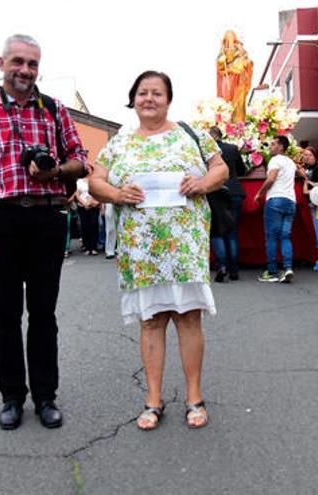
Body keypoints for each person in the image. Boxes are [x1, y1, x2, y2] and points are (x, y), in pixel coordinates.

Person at [0, 34, 89, 431]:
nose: (25, 70)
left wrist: (55, 171)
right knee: (7, 314)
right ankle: (12, 397)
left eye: (32, 64)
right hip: (2, 220)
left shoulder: (55, 109)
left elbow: (81, 161)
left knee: (44, 314)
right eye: (18, 62)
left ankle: (46, 396)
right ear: (1, 63)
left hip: (47, 219)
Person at [89, 70, 228, 430]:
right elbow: (95, 181)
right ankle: (153, 400)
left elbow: (221, 169)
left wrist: (200, 183)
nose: (149, 98)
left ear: (169, 100)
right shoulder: (119, 142)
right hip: (141, 249)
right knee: (151, 322)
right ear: (133, 99)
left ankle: (194, 397)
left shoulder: (189, 134)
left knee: (188, 318)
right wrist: (118, 194)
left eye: (157, 93)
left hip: (184, 246)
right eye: (142, 93)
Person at [254, 135, 299, 283]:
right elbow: (302, 173)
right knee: (286, 236)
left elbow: (271, 179)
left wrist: (260, 193)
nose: (270, 147)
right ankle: (287, 268)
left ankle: (272, 271)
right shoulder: (291, 163)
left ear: (281, 147)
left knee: (272, 237)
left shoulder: (275, 160)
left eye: (273, 144)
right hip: (290, 201)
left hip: (275, 200)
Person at [209, 126, 246, 282]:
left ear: (211, 136)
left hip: (216, 193)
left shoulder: (208, 150)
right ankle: (234, 270)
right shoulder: (232, 148)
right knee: (232, 232)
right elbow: (242, 170)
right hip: (234, 192)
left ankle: (222, 266)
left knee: (217, 232)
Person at [74, 177, 100, 255]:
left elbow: (97, 193)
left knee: (94, 225)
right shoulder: (79, 181)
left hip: (94, 205)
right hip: (82, 206)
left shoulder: (95, 180)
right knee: (85, 226)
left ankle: (94, 247)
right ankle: (87, 247)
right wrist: (84, 203)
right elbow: (77, 195)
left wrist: (90, 202)